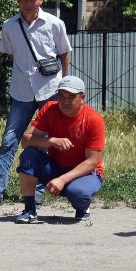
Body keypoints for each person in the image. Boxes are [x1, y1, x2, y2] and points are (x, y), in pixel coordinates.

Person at [0, 0, 71, 207]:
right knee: (9, 140)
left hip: (50, 90)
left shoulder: (55, 24)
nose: (29, 3)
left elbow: (64, 54)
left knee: (43, 142)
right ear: (17, 1)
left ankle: (38, 190)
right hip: (21, 92)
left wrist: (63, 84)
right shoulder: (9, 26)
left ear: (41, 0)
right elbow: (11, 54)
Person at [14, 76, 104, 223]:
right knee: (29, 153)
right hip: (56, 167)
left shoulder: (94, 119)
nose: (65, 101)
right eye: (61, 96)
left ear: (82, 97)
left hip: (85, 173)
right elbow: (25, 141)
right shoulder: (49, 109)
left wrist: (62, 180)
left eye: (71, 97)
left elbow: (91, 162)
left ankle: (82, 207)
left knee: (78, 193)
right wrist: (51, 141)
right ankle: (29, 210)